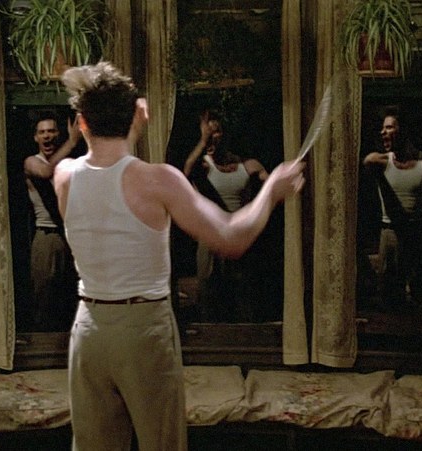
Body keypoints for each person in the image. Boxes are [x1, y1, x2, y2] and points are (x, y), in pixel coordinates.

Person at [53, 62, 304, 451]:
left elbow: (100, 166)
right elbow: (232, 238)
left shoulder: (64, 175)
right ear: (137, 115)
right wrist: (271, 190)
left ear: (82, 122)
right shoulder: (158, 180)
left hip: (88, 328)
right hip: (143, 329)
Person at [182, 109, 270, 322]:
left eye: (215, 131)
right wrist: (203, 141)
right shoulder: (204, 165)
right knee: (210, 289)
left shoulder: (246, 165)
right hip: (211, 234)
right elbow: (187, 172)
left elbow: (268, 183)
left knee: (242, 289)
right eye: (207, 132)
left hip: (239, 233)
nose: (211, 137)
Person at [361, 105, 422, 312]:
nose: (383, 132)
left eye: (389, 127)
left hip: (418, 232)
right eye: (382, 128)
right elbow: (368, 160)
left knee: (421, 290)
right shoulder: (382, 162)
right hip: (391, 233)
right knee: (390, 292)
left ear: (403, 130)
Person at [23, 111, 81, 331]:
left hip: (69, 236)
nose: (47, 136)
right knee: (45, 299)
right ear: (35, 137)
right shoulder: (31, 162)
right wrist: (72, 142)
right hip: (46, 237)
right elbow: (46, 171)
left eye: (51, 131)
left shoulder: (69, 163)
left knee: (70, 299)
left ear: (58, 134)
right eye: (42, 132)